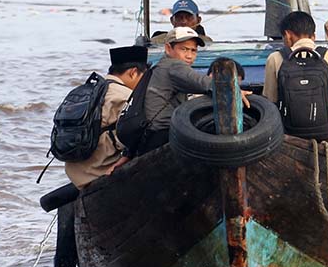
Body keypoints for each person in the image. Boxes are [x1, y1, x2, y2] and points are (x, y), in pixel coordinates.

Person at [62, 45, 148, 188]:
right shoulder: (125, 96)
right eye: (143, 76)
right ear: (133, 73)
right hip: (99, 173)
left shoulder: (91, 89)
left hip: (75, 174)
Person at [126, 26, 214, 157]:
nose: (189, 56)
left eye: (193, 51)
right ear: (168, 48)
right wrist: (233, 91)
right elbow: (204, 83)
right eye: (183, 49)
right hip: (163, 136)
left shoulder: (158, 67)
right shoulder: (174, 65)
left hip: (148, 136)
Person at [262, 11, 328, 127]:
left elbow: (271, 99)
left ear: (288, 35)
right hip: (327, 130)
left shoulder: (275, 58)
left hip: (289, 130)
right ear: (314, 36)